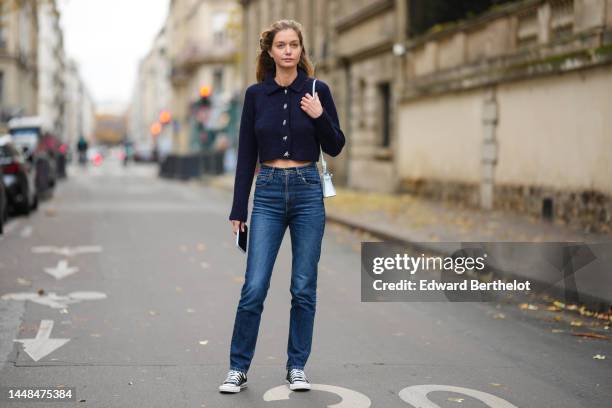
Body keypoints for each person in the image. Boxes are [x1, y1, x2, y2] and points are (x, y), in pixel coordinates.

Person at [219, 19, 345, 393]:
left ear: (301, 50)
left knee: (303, 287)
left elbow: (336, 144)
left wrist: (319, 116)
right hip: (269, 193)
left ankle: (297, 366)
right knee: (254, 286)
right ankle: (238, 368)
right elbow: (246, 157)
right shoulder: (256, 96)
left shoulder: (317, 90)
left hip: (308, 192)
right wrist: (238, 210)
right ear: (270, 52)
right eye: (281, 45)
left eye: (294, 45)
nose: (288, 51)